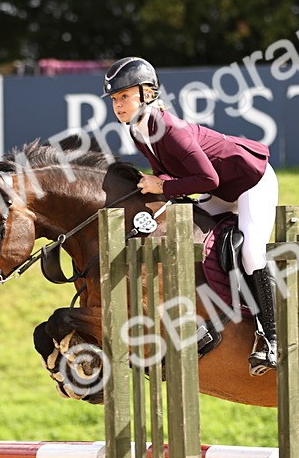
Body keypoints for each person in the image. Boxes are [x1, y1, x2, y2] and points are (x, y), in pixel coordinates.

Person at [102, 56, 280, 375]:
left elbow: (207, 179)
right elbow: (171, 177)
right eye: (115, 99)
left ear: (147, 94)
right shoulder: (138, 132)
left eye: (124, 96)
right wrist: (161, 188)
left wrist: (162, 184)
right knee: (190, 236)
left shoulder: (171, 130)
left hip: (251, 182)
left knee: (252, 251)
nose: (118, 105)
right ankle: (206, 320)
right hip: (221, 192)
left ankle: (270, 340)